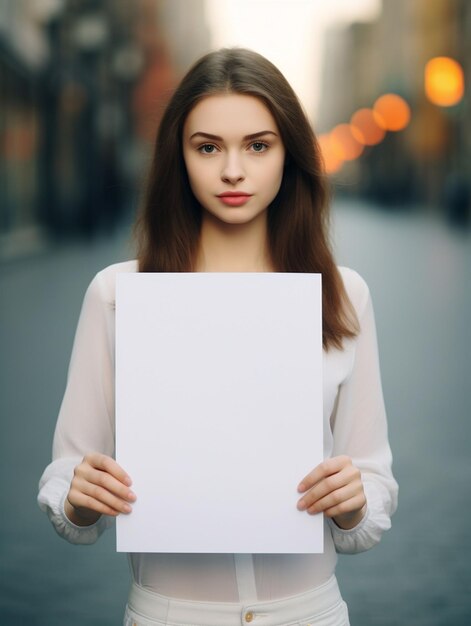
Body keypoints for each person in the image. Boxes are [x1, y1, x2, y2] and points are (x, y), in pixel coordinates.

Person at [38, 48, 398, 626]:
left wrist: (354, 501)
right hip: (167, 614)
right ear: (178, 158)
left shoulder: (342, 295)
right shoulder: (116, 294)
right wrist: (79, 498)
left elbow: (373, 486)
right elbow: (67, 480)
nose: (234, 170)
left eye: (258, 145)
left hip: (310, 613)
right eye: (208, 147)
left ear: (290, 156)